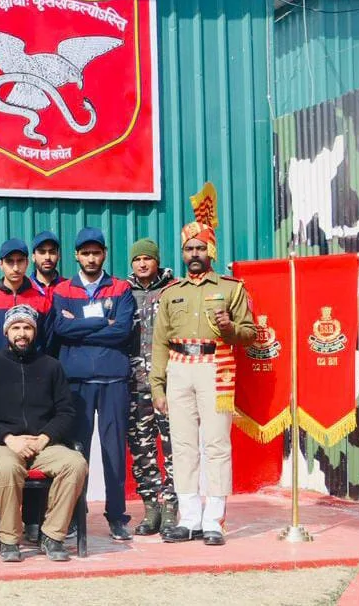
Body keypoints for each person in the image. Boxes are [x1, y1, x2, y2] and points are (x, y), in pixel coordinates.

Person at [152, 215, 256, 546]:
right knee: (182, 445)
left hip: (216, 366)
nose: (194, 254)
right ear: (183, 253)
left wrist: (229, 327)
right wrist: (157, 386)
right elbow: (159, 342)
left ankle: (213, 520)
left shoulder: (231, 288)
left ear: (211, 249)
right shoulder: (171, 293)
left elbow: (250, 334)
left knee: (215, 444)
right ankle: (189, 519)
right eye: (189, 249)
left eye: (200, 248)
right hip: (179, 368)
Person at [0, 304, 87, 563]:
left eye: (28, 328)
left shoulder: (51, 366)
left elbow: (66, 411)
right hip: (4, 445)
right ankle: (9, 540)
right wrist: (8, 438)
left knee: (75, 463)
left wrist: (44, 438)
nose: (22, 333)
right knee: (7, 468)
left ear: (35, 332)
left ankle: (52, 535)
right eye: (16, 328)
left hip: (44, 444)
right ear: (6, 332)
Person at [49, 227, 136, 541]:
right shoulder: (63, 289)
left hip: (113, 378)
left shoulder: (121, 288)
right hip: (77, 381)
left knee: (114, 450)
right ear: (76, 255)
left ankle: (117, 516)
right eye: (85, 253)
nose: (90, 258)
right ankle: (75, 515)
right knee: (77, 451)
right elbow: (61, 328)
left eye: (96, 253)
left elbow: (122, 331)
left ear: (104, 254)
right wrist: (102, 322)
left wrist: (80, 327)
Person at [127, 238, 178, 535]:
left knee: (174, 448)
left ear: (157, 261)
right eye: (137, 259)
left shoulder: (173, 289)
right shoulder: (124, 292)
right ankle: (151, 508)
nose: (142, 264)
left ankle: (171, 506)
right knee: (142, 448)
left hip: (169, 383)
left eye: (147, 258)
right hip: (135, 384)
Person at [0, 239, 53, 353]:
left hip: (33, 363)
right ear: (0, 264)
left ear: (27, 263)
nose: (15, 268)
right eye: (9, 261)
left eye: (20, 261)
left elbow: (49, 342)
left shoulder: (42, 301)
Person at [30, 232, 64, 297]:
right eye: (42, 252)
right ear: (33, 257)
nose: (47, 257)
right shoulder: (24, 288)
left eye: (52, 252)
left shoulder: (68, 288)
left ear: (58, 256)